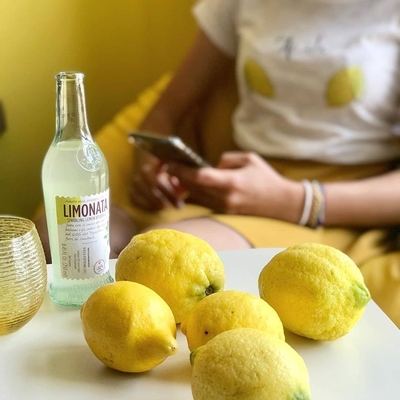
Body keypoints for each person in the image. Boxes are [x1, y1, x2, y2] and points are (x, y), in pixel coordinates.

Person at [35, 0, 400, 326]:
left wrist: (293, 199)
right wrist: (149, 164)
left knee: (165, 274)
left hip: (333, 206)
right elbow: (163, 114)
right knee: (52, 238)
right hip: (233, 186)